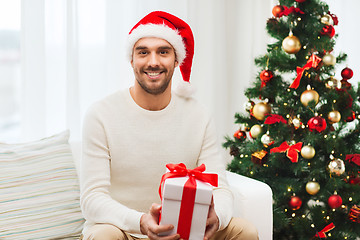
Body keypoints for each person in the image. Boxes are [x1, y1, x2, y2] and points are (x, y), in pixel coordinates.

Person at [79, 11, 259, 240]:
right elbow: (92, 199)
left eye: (163, 52)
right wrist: (141, 221)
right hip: (126, 231)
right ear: (131, 59)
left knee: (245, 231)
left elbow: (219, 187)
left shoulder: (199, 115)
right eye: (143, 52)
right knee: (103, 236)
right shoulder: (100, 115)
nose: (153, 62)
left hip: (185, 230)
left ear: (176, 60)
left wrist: (217, 217)